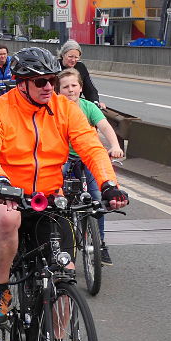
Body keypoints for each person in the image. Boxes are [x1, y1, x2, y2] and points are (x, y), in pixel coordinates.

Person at [0, 47, 128, 341]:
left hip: (49, 194)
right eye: (40, 81)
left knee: (65, 271)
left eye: (51, 81)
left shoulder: (65, 109)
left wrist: (108, 184)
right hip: (6, 189)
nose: (48, 87)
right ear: (22, 84)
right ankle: (0, 290)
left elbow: (90, 146)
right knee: (6, 219)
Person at [57, 67, 124, 265]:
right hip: (64, 158)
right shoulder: (55, 109)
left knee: (97, 198)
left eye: (74, 85)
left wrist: (115, 146)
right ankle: (61, 241)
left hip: (88, 157)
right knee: (57, 198)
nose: (70, 90)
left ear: (80, 87)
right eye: (65, 87)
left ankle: (100, 243)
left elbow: (104, 126)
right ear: (58, 90)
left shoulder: (88, 107)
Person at [58, 40, 103, 107]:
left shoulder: (80, 67)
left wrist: (95, 102)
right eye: (70, 56)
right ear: (63, 55)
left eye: (76, 57)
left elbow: (89, 89)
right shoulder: (54, 66)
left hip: (75, 104)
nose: (73, 60)